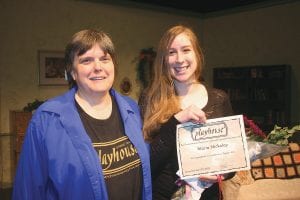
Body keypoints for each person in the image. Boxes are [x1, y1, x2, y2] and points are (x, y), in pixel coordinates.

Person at [12, 29, 152, 200]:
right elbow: (28, 191)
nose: (98, 67)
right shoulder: (46, 119)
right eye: (86, 60)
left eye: (104, 59)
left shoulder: (131, 109)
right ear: (72, 72)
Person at [141, 25, 234, 200]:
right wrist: (176, 121)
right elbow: (145, 163)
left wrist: (223, 174)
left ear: (197, 54)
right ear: (163, 59)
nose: (179, 59)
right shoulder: (150, 99)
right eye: (171, 52)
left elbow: (232, 158)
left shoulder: (220, 98)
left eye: (186, 50)